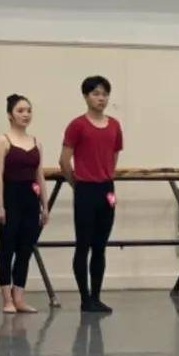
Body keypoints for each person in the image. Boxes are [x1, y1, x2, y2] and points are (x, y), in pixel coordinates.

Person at [59, 76, 123, 313]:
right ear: (86, 96)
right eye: (96, 94)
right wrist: (76, 184)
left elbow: (114, 155)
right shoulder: (77, 125)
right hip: (85, 189)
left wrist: (107, 175)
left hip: (106, 189)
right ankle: (85, 298)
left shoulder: (114, 125)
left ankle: (96, 296)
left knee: (100, 246)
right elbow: (64, 160)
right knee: (83, 245)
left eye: (104, 94)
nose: (101, 98)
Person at [0, 94, 49, 314]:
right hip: (10, 198)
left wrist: (45, 205)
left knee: (25, 250)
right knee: (7, 249)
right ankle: (7, 298)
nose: (25, 115)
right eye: (20, 111)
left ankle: (19, 297)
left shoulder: (36, 142)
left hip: (30, 200)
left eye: (28, 111)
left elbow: (39, 175)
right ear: (10, 115)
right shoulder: (3, 141)